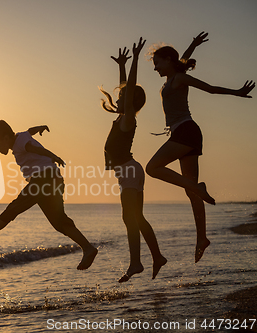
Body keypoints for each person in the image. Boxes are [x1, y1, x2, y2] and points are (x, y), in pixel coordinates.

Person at [145, 32, 255, 262]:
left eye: (157, 63)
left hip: (186, 132)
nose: (155, 68)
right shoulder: (173, 77)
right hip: (185, 133)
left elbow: (210, 89)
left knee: (152, 168)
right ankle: (201, 238)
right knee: (191, 191)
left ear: (167, 60)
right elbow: (182, 60)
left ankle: (199, 187)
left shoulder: (179, 79)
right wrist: (193, 45)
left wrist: (237, 92)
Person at [0, 120, 98, 270]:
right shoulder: (20, 137)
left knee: (13, 209)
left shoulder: (21, 144)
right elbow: (29, 132)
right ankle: (88, 248)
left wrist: (54, 156)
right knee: (59, 222)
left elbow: (34, 148)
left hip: (43, 179)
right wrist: (39, 128)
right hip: (54, 179)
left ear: (6, 138)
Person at [100, 37, 167, 283]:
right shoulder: (121, 117)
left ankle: (137, 262)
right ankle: (155, 257)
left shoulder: (129, 119)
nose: (117, 99)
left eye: (123, 98)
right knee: (135, 218)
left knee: (131, 218)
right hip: (129, 171)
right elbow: (123, 89)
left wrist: (136, 59)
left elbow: (127, 95)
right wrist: (122, 64)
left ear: (130, 103)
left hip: (129, 171)